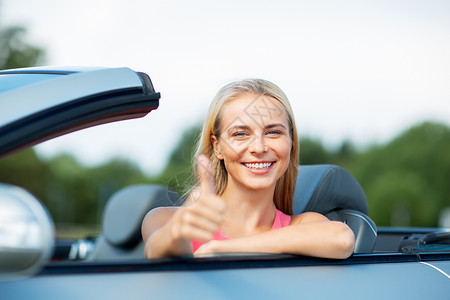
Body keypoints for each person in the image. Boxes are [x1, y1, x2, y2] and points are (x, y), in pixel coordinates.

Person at [141, 79, 355, 259]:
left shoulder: (303, 225)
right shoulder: (165, 220)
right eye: (240, 134)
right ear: (217, 147)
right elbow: (156, 250)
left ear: (291, 143)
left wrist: (222, 248)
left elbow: (342, 239)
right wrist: (177, 233)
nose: (259, 148)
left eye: (273, 132)